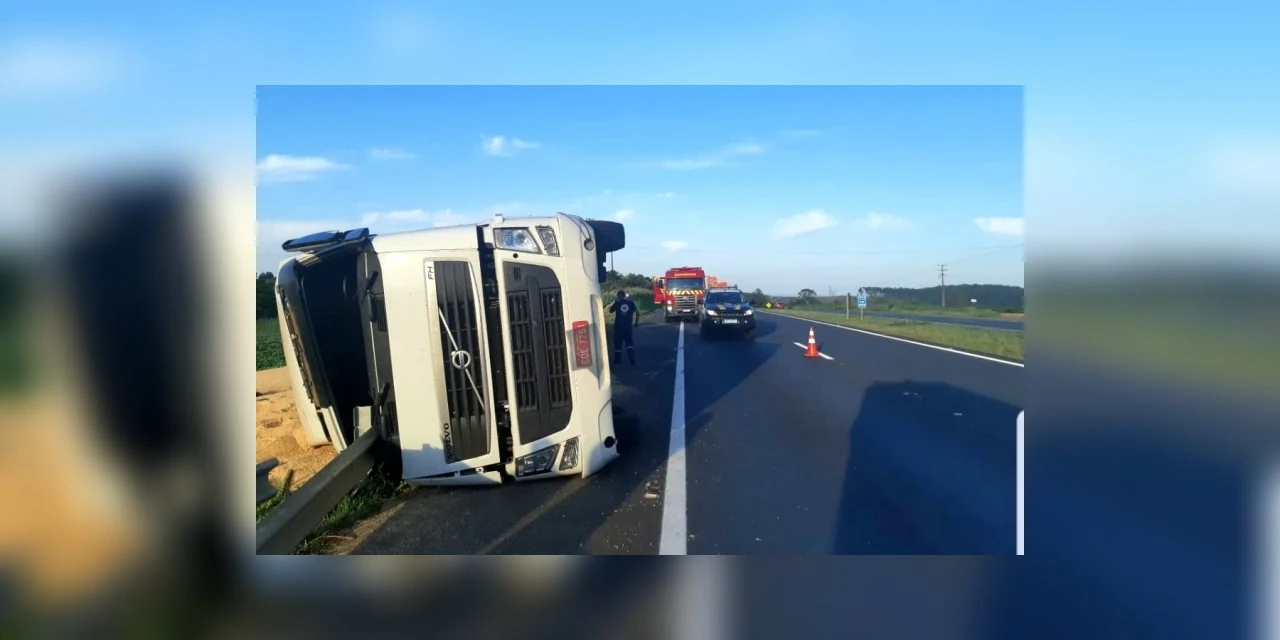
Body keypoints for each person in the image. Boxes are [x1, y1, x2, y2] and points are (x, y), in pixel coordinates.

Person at [608, 289, 638, 365]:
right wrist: (636, 323)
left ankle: (617, 360)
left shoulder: (617, 303)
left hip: (618, 327)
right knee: (629, 343)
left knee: (618, 344)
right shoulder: (631, 303)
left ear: (618, 296)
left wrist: (615, 303)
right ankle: (631, 357)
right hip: (628, 327)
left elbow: (610, 311)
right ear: (624, 295)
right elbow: (637, 312)